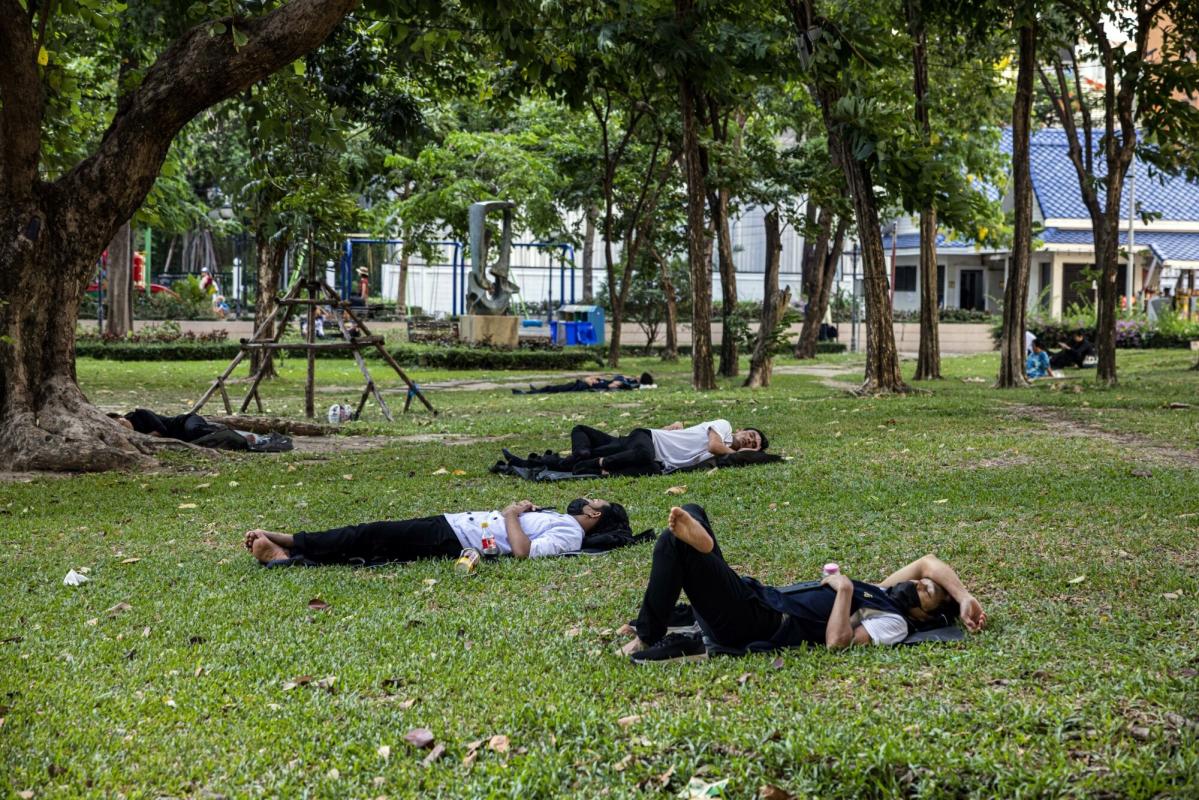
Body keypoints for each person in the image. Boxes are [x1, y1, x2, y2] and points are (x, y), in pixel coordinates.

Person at [617, 505, 987, 664]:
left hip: (754, 622)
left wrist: (843, 589)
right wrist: (964, 595)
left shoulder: (896, 622)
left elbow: (837, 643)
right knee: (692, 512)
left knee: (671, 543)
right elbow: (928, 562)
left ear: (925, 616)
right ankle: (704, 546)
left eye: (927, 591)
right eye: (923, 583)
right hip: (754, 597)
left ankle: (648, 634)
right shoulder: (880, 591)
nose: (920, 583)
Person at [243, 497, 629, 566]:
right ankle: (291, 556)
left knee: (371, 534)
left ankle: (291, 545)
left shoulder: (572, 535)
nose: (587, 500)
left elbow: (525, 553)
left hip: (455, 538)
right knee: (376, 545)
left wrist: (511, 513)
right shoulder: (562, 521)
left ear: (595, 514)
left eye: (594, 501)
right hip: (455, 525)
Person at [502, 419, 768, 476]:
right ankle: (594, 463)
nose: (750, 441)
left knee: (647, 467)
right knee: (642, 457)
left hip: (650, 456)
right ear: (744, 429)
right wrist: (740, 452)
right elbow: (714, 446)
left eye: (754, 445)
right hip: (647, 439)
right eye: (752, 435)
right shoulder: (723, 427)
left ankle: (526, 464)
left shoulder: (724, 459)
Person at [512, 372, 654, 395]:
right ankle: (534, 391)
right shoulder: (629, 381)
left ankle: (528, 393)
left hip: (587, 386)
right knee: (554, 388)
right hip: (590, 383)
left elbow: (611, 386)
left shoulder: (628, 384)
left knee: (556, 389)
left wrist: (592, 382)